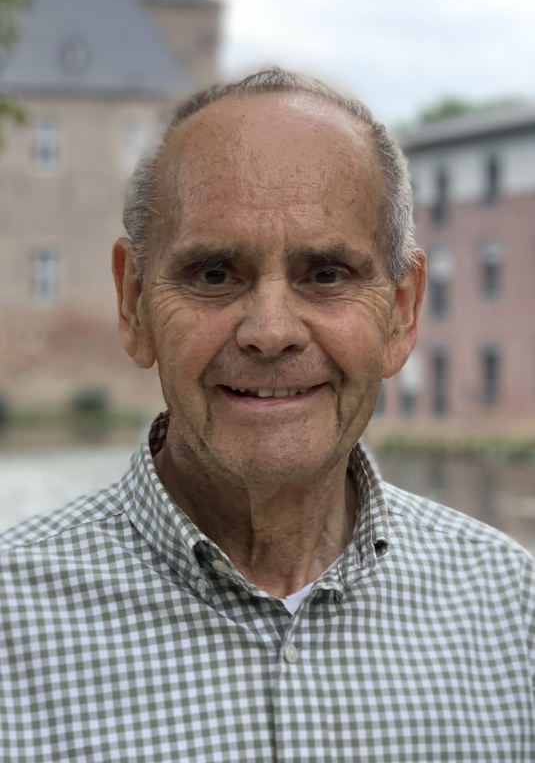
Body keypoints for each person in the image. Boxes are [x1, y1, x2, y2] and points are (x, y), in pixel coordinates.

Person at [1, 69, 534, 762]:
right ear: (133, 303)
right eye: (214, 274)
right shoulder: (12, 625)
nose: (271, 331)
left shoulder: (511, 613)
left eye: (326, 275)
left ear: (401, 313)